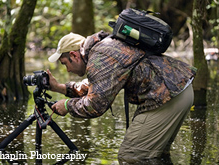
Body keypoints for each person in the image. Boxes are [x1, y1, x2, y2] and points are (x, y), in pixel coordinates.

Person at [46, 31, 197, 164]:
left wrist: (67, 105)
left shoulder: (101, 57)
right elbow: (96, 84)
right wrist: (60, 88)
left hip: (168, 96)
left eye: (65, 64)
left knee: (130, 156)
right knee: (157, 156)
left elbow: (95, 106)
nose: (67, 70)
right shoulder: (103, 49)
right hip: (179, 89)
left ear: (74, 55)